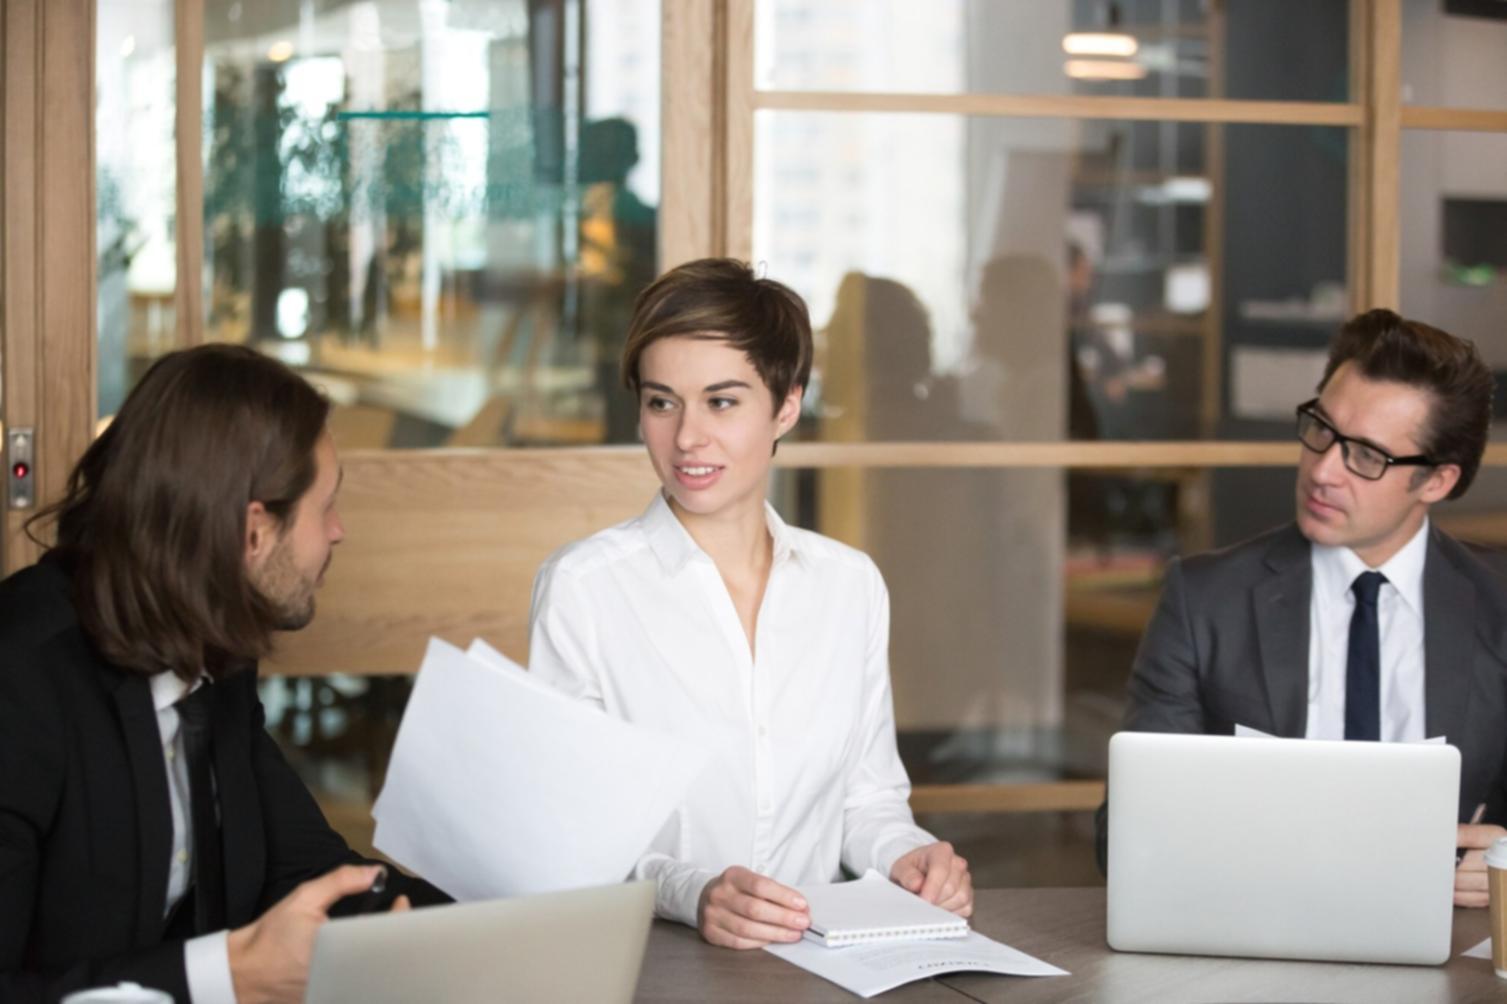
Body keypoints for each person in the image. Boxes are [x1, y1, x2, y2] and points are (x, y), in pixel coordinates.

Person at [528, 258, 972, 949]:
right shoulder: (584, 588)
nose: (687, 438)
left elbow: (867, 799)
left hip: (821, 964)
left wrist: (906, 858)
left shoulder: (848, 585)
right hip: (653, 963)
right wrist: (693, 893)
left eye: (722, 401)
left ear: (786, 406)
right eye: (661, 401)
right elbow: (572, 832)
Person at [0, 345, 446, 1003]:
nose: (339, 532)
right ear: (252, 534)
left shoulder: (213, 652)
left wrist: (486, 931)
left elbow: (304, 870)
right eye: (325, 507)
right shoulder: (20, 682)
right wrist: (227, 979)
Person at [1101, 309, 1507, 908]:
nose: (1322, 470)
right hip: (1258, 932)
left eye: (1366, 457)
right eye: (1320, 429)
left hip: (1450, 944)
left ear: (1437, 482)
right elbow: (1121, 838)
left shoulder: (1499, 603)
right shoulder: (1206, 599)